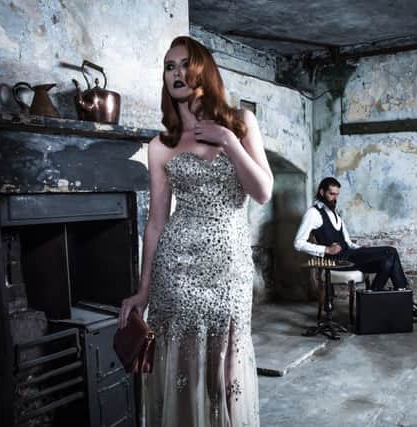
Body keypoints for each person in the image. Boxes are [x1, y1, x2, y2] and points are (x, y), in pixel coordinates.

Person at [118, 36, 272, 426]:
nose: (176, 73)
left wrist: (229, 142)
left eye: (184, 63)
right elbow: (155, 222)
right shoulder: (161, 146)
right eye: (169, 67)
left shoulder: (241, 123)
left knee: (226, 378)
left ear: (204, 68)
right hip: (177, 273)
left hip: (229, 271)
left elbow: (263, 192)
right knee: (182, 373)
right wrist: (143, 289)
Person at [294, 177, 417, 319]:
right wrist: (326, 250)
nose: (334, 198)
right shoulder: (313, 213)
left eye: (337, 194)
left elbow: (348, 243)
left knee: (386, 261)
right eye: (331, 194)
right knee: (390, 251)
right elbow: (298, 243)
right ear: (321, 192)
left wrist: (364, 250)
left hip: (349, 255)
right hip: (336, 261)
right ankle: (403, 304)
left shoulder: (335, 213)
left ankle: (378, 303)